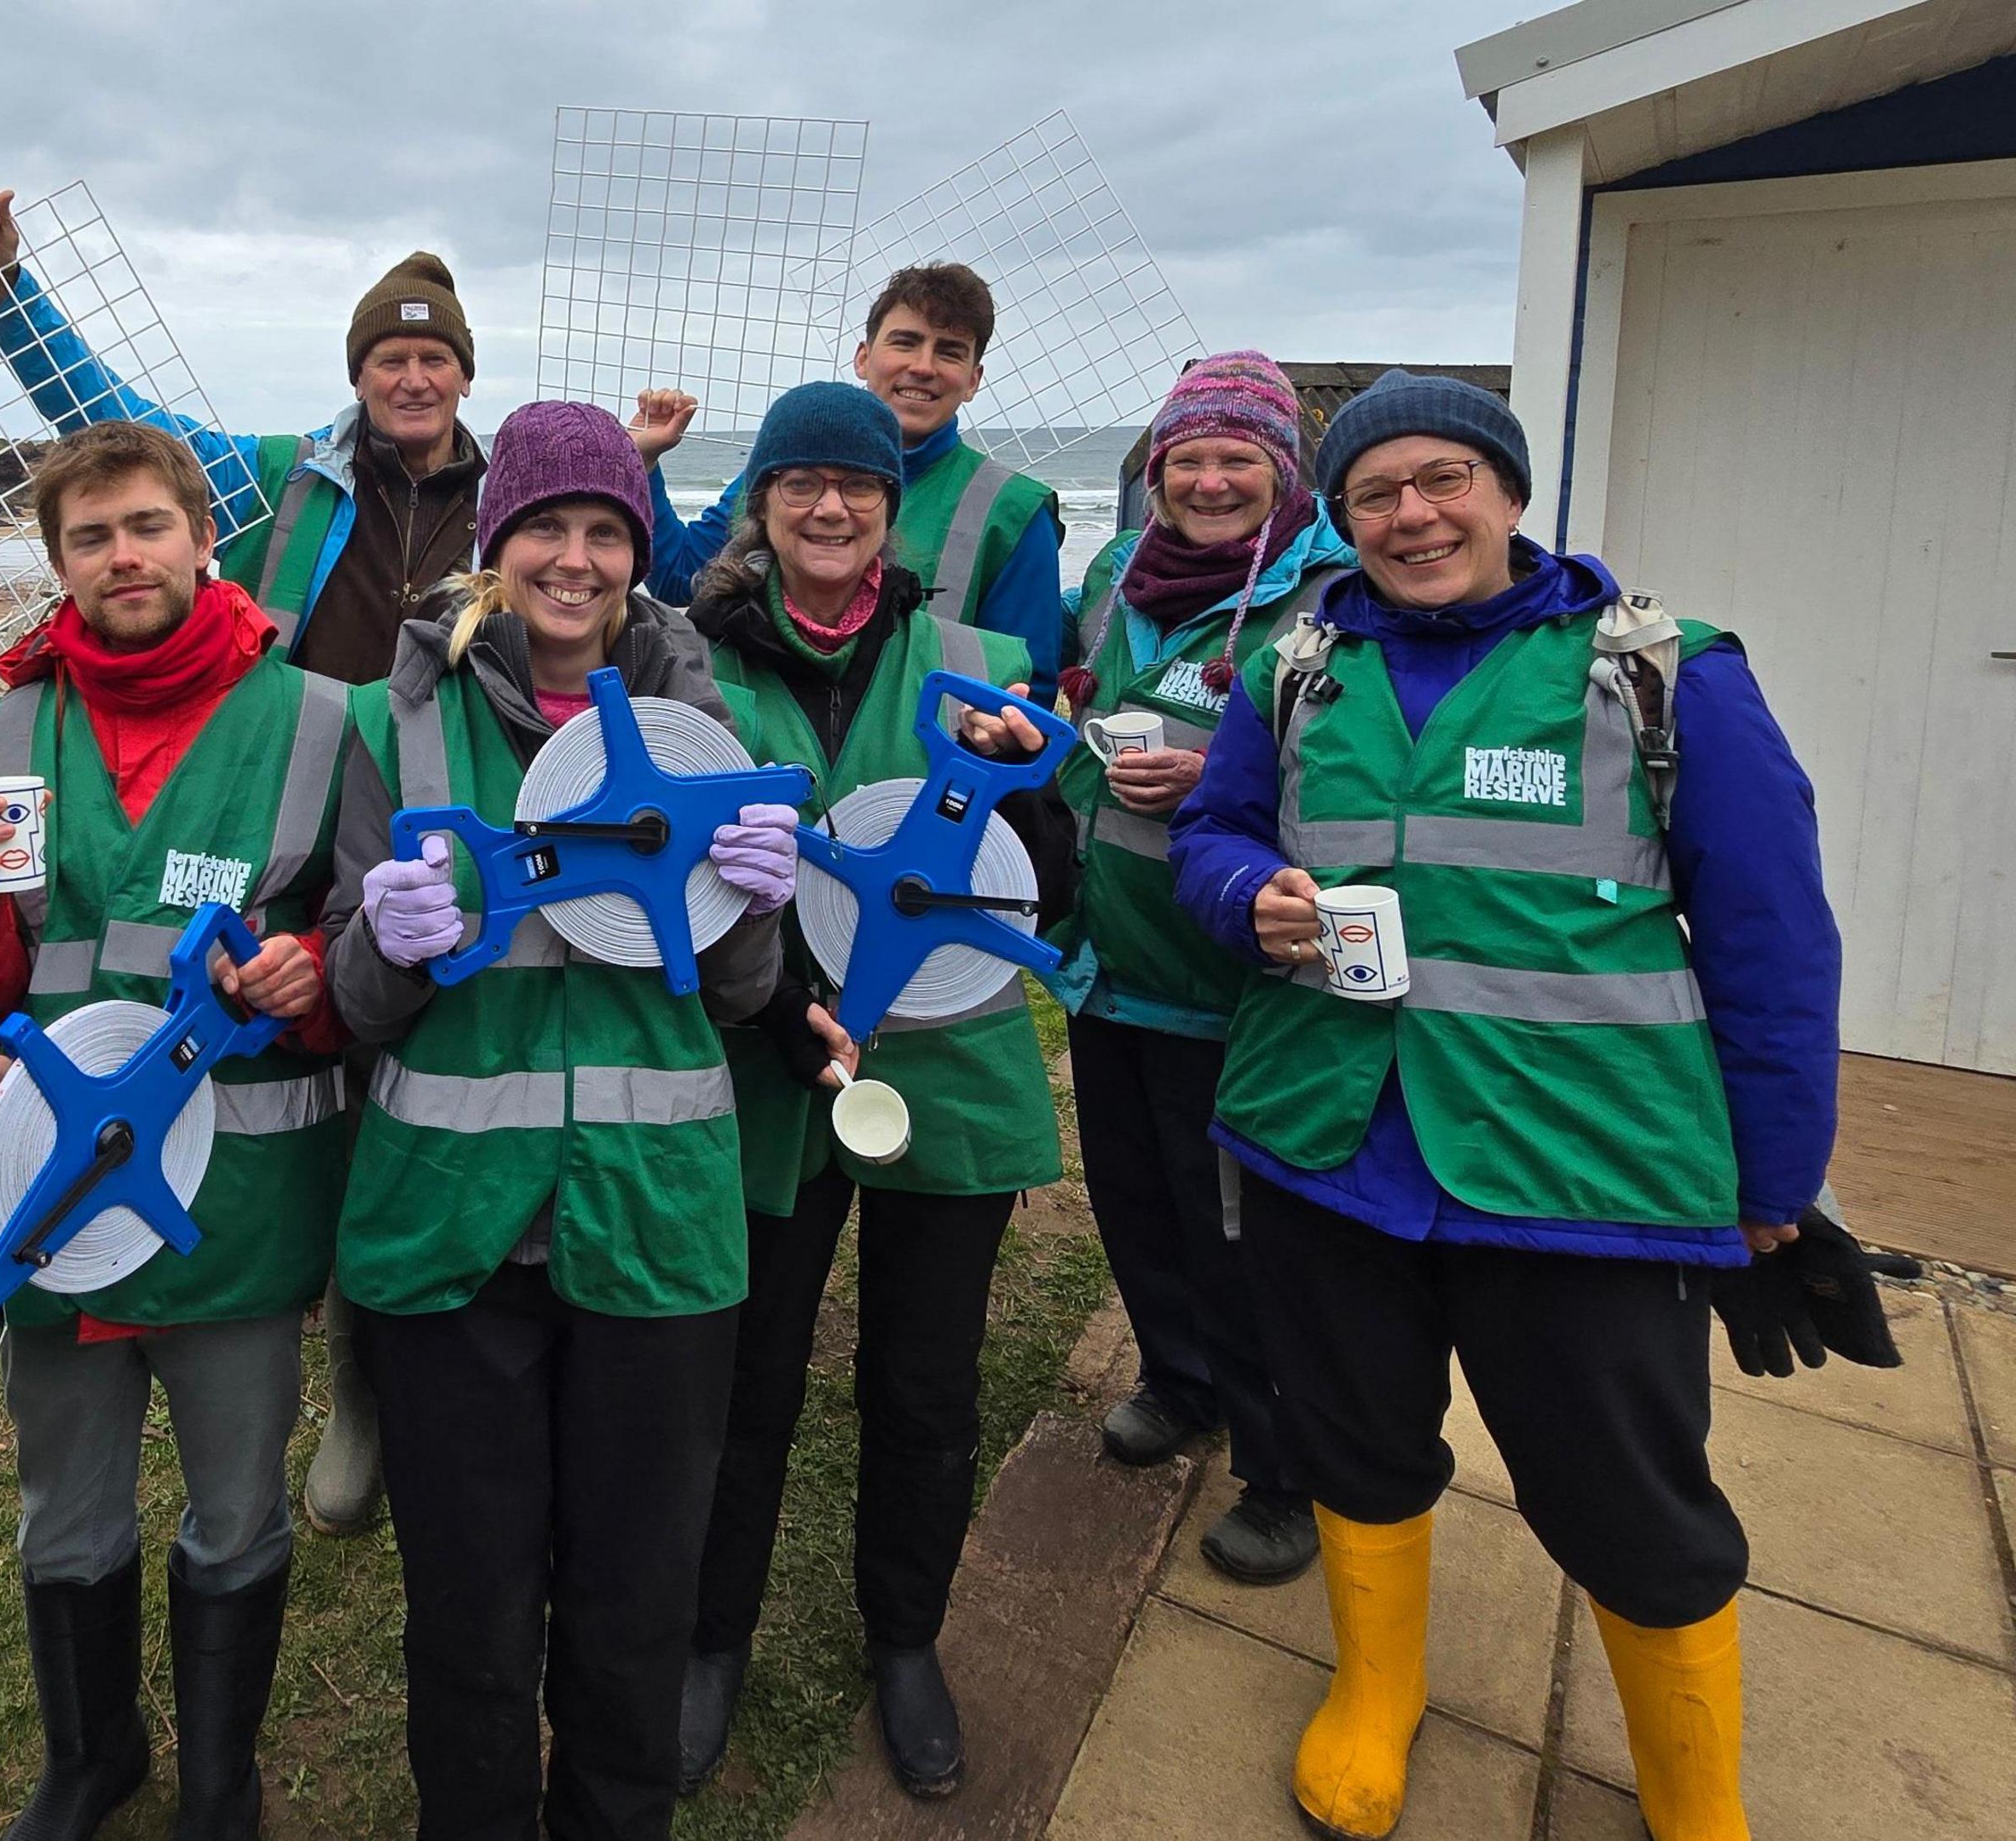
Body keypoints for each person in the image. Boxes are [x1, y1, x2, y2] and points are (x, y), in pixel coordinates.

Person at [1168, 371, 1887, 1841]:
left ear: (1507, 492)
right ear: (1341, 515)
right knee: (1357, 1440)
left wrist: (1770, 1185)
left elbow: (1775, 945)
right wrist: (1250, 897)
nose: (1413, 515)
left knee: (1626, 1491)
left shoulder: (1666, 673)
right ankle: (1378, 1697)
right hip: (1330, 1143)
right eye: (1375, 492)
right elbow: (1215, 830)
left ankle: (1696, 1796)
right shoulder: (1301, 668)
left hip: (1585, 1174)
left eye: (1444, 480)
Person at [0, 182, 477, 1535]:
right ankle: (354, 1390)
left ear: (466, 375)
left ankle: (385, 1369)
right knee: (318, 1078)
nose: (411, 375)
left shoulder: (510, 484)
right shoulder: (279, 473)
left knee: (411, 1113)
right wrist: (9, 298)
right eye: (387, 356)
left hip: (436, 815)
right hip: (282, 797)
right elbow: (109, 429)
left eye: (435, 356)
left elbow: (626, 559)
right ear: (357, 375)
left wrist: (650, 473)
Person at [320, 399, 797, 1841]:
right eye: (545, 528)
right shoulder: (384, 722)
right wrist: (383, 945)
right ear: (494, 543)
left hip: (651, 1229)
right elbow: (355, 1002)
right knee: (467, 1613)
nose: (575, 559)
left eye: (605, 531)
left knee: (634, 1603)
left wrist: (755, 913)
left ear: (637, 553)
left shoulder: (713, 729)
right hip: (452, 1234)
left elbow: (735, 995)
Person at [0, 420, 353, 1841]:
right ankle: (91, 1758)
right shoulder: (2, 730)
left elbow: (375, 963)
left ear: (201, 536)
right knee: (66, 1509)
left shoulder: (320, 721)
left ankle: (220, 1782)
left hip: (236, 1200)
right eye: (91, 537)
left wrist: (309, 987)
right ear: (57, 564)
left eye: (148, 526)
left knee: (238, 1506)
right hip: (52, 1194)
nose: (124, 556)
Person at [670, 382, 1062, 1803]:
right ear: (759, 506)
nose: (830, 506)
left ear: (896, 510)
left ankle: (906, 1638)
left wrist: (1033, 796)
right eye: (801, 483)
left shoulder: (977, 657)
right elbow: (681, 880)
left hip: (946, 1075)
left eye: (860, 485)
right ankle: (712, 1639)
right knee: (746, 1379)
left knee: (924, 1384)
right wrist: (779, 1010)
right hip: (768, 1077)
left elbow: (1050, 893)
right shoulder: (693, 662)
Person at [1047, 352, 1355, 1586]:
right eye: (1188, 461)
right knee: (1136, 1201)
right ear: (1157, 471)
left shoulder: (1327, 591)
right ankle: (1179, 1381)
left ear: (1283, 470)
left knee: (1249, 1238)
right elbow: (1087, 701)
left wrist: (1225, 782)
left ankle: (1287, 1469)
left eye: (1240, 460)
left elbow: (1358, 772)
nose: (1212, 482)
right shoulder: (1118, 574)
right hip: (1110, 959)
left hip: (1235, 977)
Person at [629, 263, 1069, 702]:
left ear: (973, 379)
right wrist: (644, 464)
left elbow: (1027, 685)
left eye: (950, 351)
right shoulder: (782, 472)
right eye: (906, 342)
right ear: (863, 357)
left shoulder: (1014, 509)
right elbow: (681, 580)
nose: (923, 366)